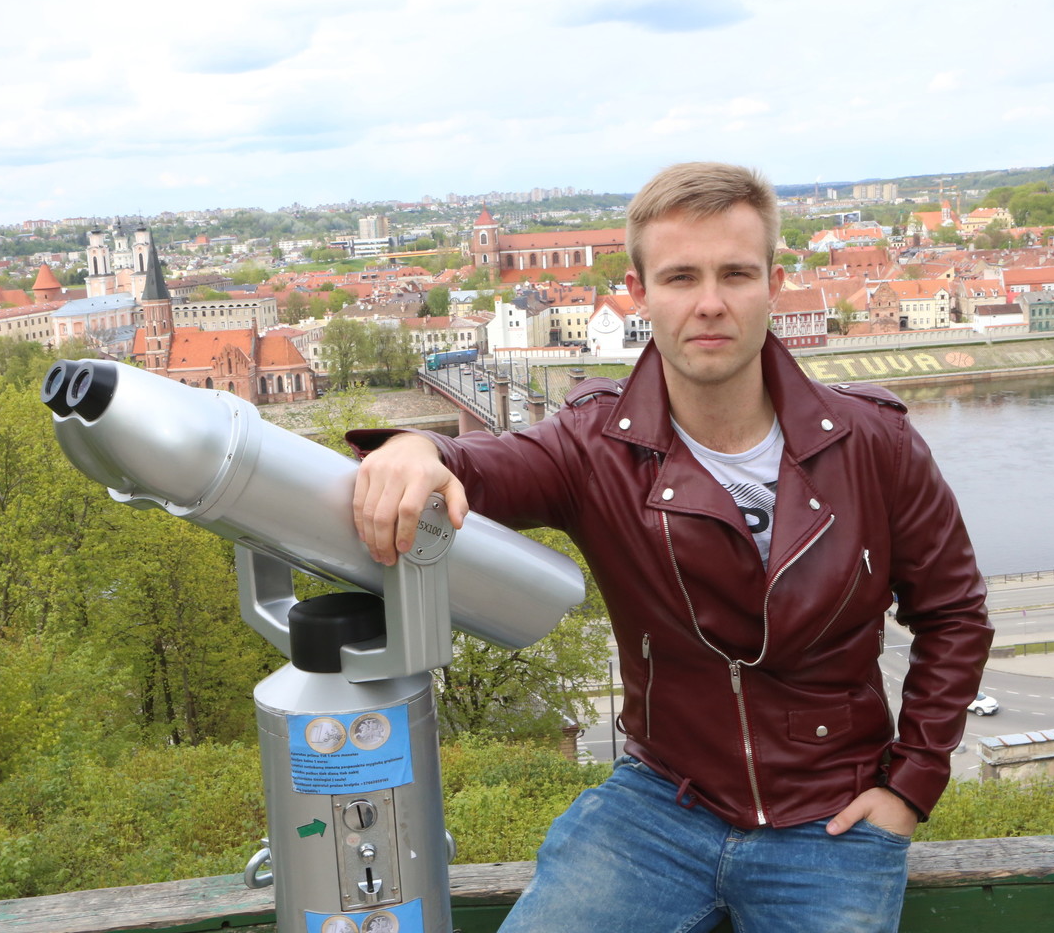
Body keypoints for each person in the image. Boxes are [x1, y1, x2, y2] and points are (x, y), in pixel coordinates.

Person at [349, 162, 992, 933]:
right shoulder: (595, 447)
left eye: (735, 274)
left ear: (773, 284)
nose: (710, 303)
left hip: (832, 817)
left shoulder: (873, 445)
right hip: (660, 807)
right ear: (640, 291)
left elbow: (955, 615)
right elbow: (479, 465)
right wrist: (416, 448)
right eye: (681, 277)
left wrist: (909, 787)